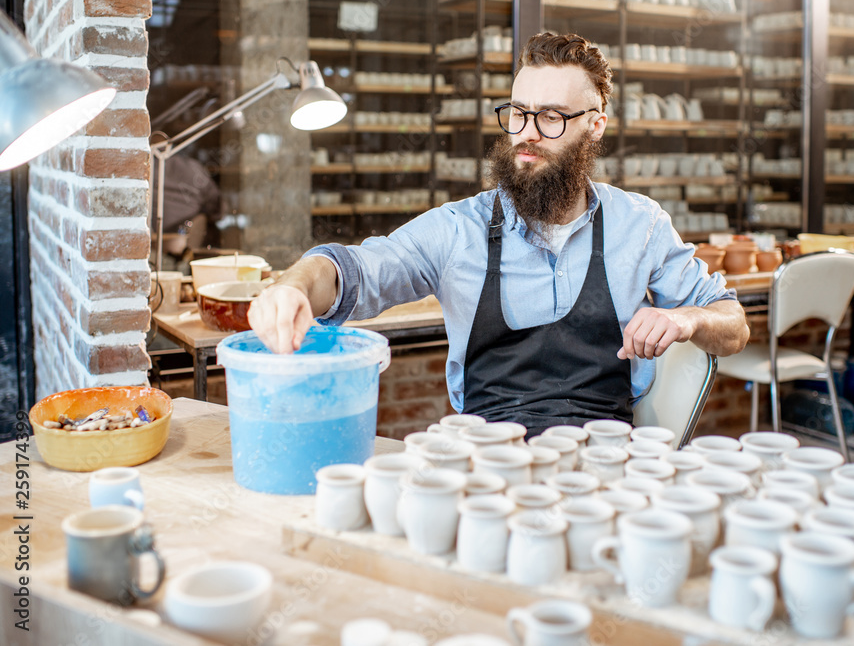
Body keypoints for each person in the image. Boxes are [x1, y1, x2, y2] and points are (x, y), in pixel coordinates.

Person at [249, 32, 749, 437]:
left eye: (552, 117)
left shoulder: (640, 225)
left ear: (595, 126)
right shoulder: (456, 231)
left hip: (606, 458)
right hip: (487, 456)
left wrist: (688, 318)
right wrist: (294, 286)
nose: (527, 132)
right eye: (517, 113)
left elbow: (733, 326)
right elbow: (352, 271)